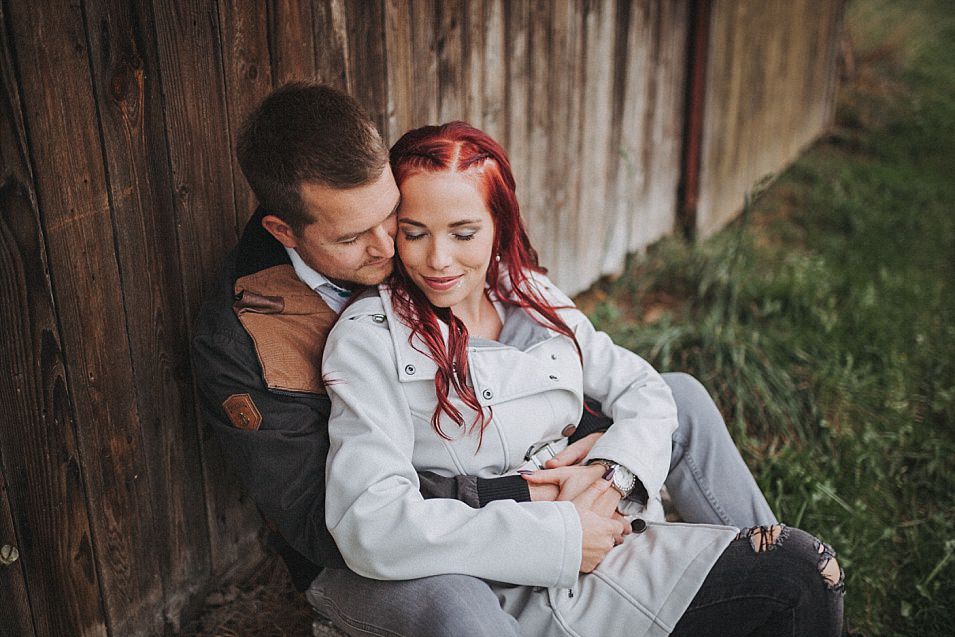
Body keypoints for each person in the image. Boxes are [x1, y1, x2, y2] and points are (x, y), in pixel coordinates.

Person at [191, 82, 788, 636]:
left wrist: (597, 469)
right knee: (455, 602)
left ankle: (762, 575)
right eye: (352, 239)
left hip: (496, 473)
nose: (389, 251)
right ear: (285, 231)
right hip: (368, 555)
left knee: (675, 398)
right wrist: (528, 496)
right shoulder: (239, 344)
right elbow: (326, 521)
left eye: (392, 219)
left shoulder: (427, 246)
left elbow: (499, 372)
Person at [321, 121, 848, 636]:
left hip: (608, 531)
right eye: (414, 234)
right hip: (508, 571)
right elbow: (373, 521)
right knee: (796, 574)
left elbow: (644, 388)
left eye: (464, 233)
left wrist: (610, 475)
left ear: (498, 225)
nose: (438, 259)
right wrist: (561, 533)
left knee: (801, 568)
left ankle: (751, 549)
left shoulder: (527, 294)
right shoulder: (371, 338)